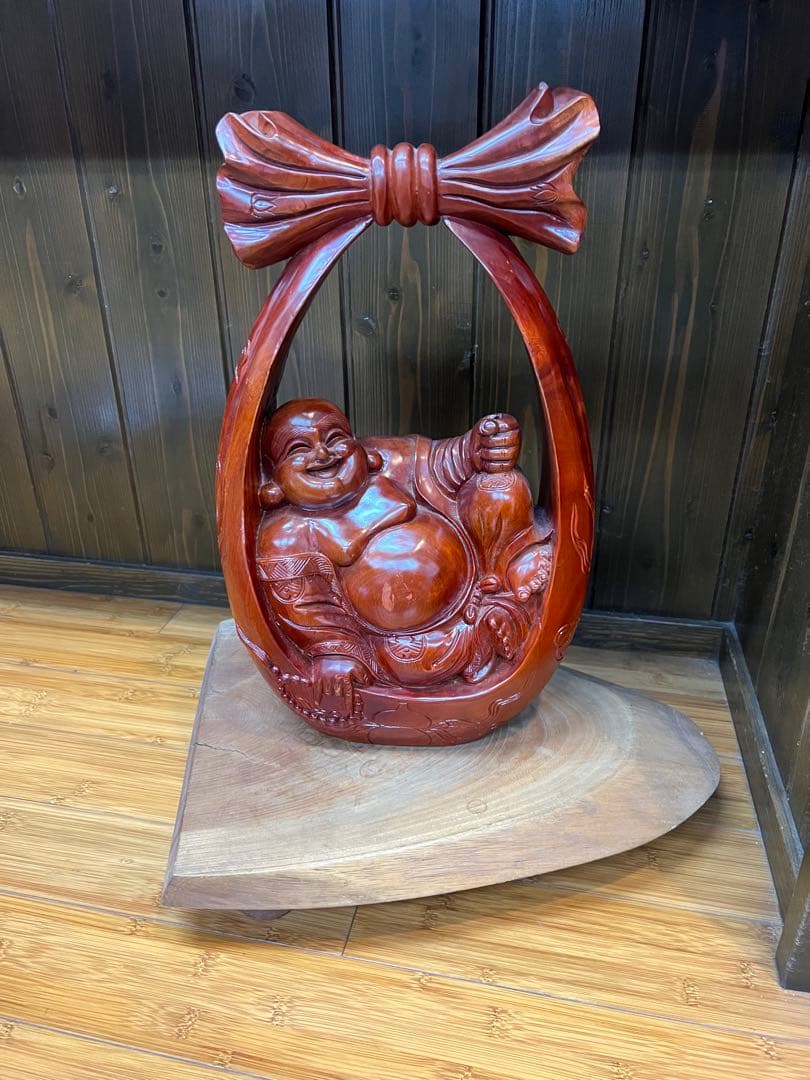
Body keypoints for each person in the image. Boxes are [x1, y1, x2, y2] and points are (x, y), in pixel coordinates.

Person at [255, 399, 552, 719]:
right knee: (406, 662)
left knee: (500, 486)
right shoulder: (286, 536)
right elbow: (306, 611)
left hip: (479, 565)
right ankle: (484, 631)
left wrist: (480, 446)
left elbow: (443, 462)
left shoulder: (389, 460)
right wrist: (336, 653)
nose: (323, 453)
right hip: (409, 636)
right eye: (299, 449)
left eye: (335, 438)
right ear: (273, 485)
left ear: (361, 449)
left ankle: (510, 568)